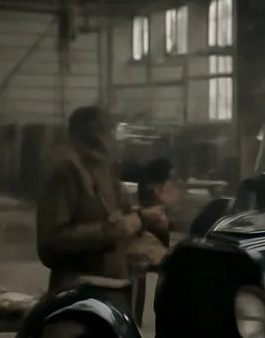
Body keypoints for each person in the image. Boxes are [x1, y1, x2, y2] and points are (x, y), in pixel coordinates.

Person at [36, 106, 168, 300]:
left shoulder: (98, 166)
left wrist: (145, 218)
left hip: (107, 288)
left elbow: (117, 212)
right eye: (111, 131)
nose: (115, 140)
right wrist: (114, 229)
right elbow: (51, 244)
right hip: (79, 293)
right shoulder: (66, 168)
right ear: (94, 131)